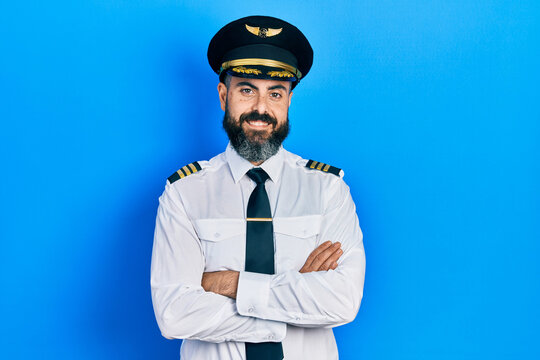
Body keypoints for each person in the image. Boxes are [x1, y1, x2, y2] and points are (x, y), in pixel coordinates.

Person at [151, 15, 366, 360]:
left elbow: (342, 301)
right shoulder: (183, 194)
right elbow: (174, 314)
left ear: (289, 101)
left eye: (275, 93)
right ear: (224, 95)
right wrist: (292, 302)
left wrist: (229, 284)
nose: (261, 109)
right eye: (247, 90)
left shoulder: (328, 191)